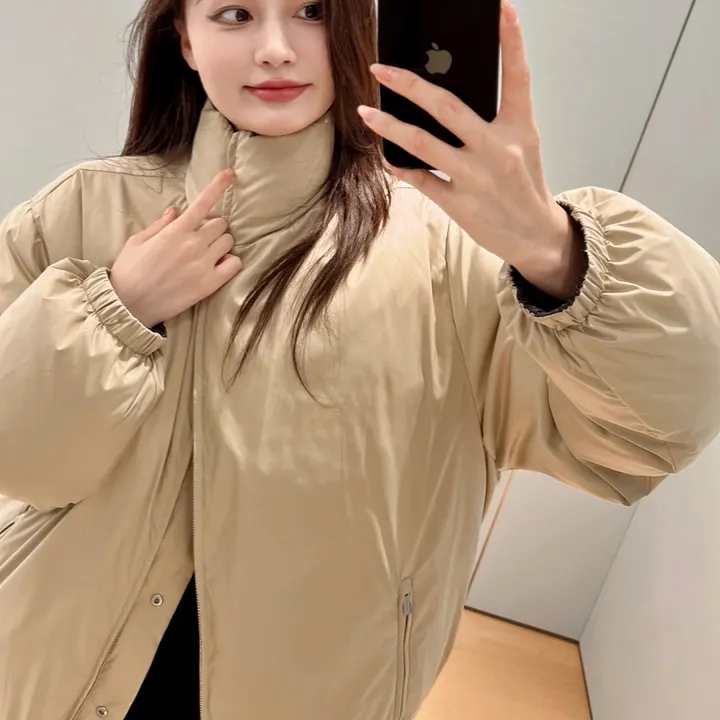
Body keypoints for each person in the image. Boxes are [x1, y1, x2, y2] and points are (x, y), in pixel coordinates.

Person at [0, 0, 718, 718]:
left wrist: (554, 252)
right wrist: (118, 306)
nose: (275, 49)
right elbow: (18, 460)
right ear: (184, 41)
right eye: (235, 13)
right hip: (45, 669)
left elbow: (649, 431)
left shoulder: (447, 253)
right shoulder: (84, 209)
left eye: (310, 11)